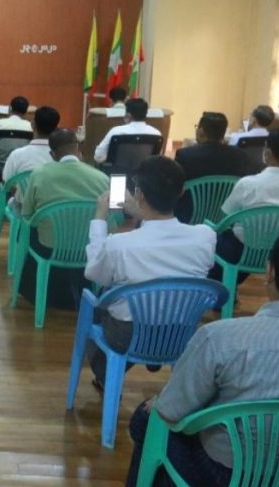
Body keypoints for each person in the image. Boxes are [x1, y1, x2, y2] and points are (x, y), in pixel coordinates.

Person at [124, 227, 279, 487]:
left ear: (270, 272)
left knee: (146, 419)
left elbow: (170, 413)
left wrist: (163, 404)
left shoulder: (221, 338)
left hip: (227, 475)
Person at [83, 156, 217, 389]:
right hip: (180, 332)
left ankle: (104, 371)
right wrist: (142, 213)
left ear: (140, 195)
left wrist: (99, 219)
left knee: (99, 300)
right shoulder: (205, 236)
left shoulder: (120, 244)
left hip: (129, 335)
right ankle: (156, 358)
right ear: (181, 191)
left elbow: (96, 273)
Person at [17, 129, 109, 309]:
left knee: (28, 230)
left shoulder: (39, 174)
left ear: (52, 154)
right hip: (88, 248)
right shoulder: (102, 178)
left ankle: (32, 289)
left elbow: (26, 214)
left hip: (49, 247)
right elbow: (116, 216)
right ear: (79, 149)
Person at [211, 128, 279, 284]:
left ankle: (226, 290)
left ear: (267, 152)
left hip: (242, 252)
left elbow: (223, 219)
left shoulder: (247, 184)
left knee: (214, 239)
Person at [174, 112, 255, 222]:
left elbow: (174, 187)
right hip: (224, 218)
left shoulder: (185, 155)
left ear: (201, 131)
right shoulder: (240, 156)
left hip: (189, 216)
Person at [93, 98, 162, 164]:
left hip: (117, 171)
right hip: (145, 172)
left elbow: (98, 157)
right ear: (146, 114)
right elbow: (157, 159)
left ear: (128, 115)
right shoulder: (156, 134)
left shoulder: (116, 131)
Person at [0, 106, 58, 183]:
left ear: (32, 125)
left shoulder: (16, 155)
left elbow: (6, 183)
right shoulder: (61, 159)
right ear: (56, 129)